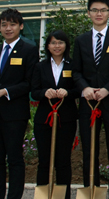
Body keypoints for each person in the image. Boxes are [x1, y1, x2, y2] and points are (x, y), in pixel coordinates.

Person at [0, 8, 39, 199]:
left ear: (20, 26)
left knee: (14, 159)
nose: (8, 28)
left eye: (12, 24)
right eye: (4, 24)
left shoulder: (29, 50)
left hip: (15, 114)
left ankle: (14, 196)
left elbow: (28, 83)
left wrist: (2, 92)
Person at [72, 0, 109, 199]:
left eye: (103, 10)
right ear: (89, 13)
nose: (99, 13)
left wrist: (107, 89)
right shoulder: (80, 40)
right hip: (87, 104)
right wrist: (85, 88)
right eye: (95, 10)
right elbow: (76, 71)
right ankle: (92, 193)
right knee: (89, 151)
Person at [31, 30, 79, 199]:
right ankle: (43, 195)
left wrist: (68, 92)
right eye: (53, 43)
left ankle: (63, 196)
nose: (56, 46)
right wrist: (45, 92)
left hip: (66, 119)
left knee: (63, 161)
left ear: (66, 45)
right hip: (44, 119)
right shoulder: (40, 66)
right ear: (47, 46)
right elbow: (34, 91)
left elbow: (79, 90)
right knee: (44, 160)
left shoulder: (73, 66)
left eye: (60, 42)